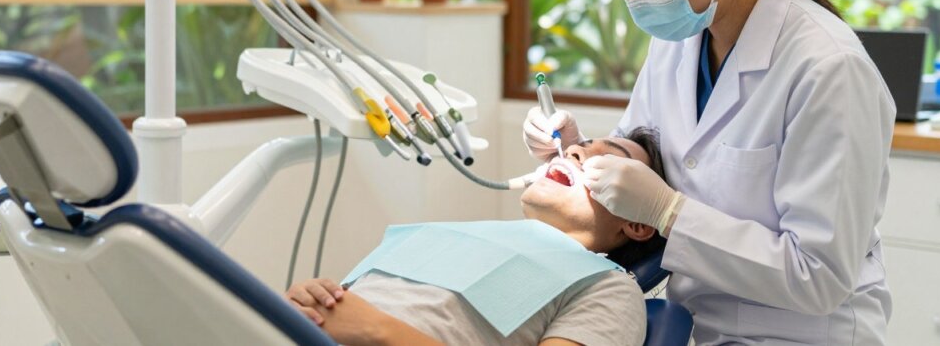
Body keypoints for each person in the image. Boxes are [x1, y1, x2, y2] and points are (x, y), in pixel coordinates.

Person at [523, 0, 894, 344]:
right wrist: (581, 147)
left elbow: (819, 276)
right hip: (694, 324)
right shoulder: (677, 43)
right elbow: (651, 155)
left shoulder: (828, 69)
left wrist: (669, 213)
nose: (634, 1)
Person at [286, 129, 669, 346]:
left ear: (637, 222)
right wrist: (312, 299)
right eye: (580, 146)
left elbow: (365, 323)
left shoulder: (608, 288)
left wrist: (377, 330)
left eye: (609, 162)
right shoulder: (449, 234)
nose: (573, 151)